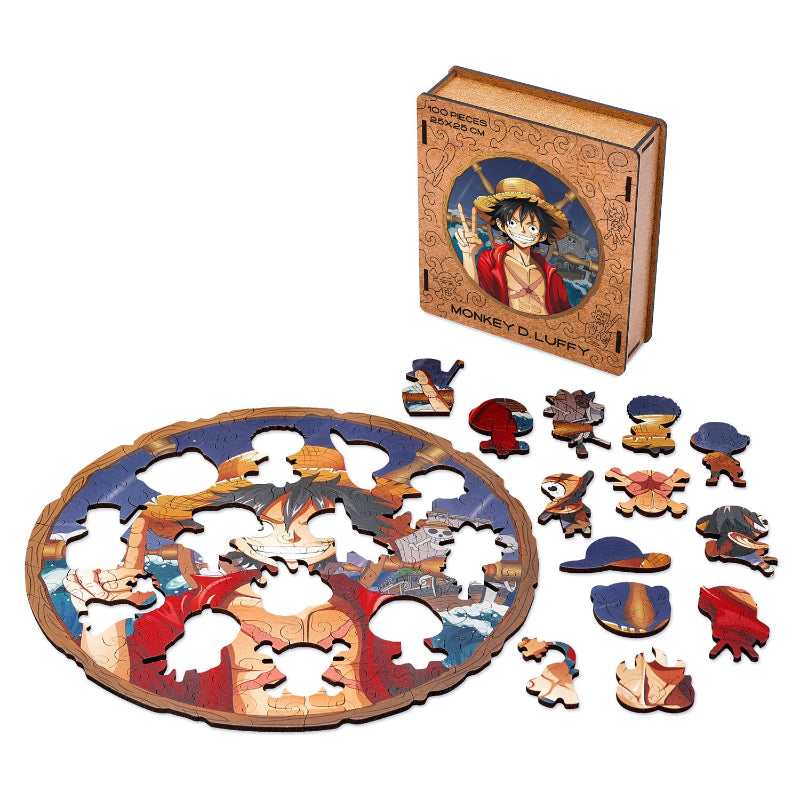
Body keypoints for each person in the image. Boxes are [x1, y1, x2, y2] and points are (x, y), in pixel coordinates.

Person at [63, 449, 445, 718]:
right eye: (265, 526)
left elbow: (425, 683)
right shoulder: (189, 612)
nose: (290, 538)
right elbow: (126, 681)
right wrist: (105, 620)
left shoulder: (382, 612)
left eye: (313, 524)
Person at [455, 177, 571, 314]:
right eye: (513, 223)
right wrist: (468, 255)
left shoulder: (554, 279)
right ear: (501, 225)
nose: (522, 231)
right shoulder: (491, 261)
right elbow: (473, 296)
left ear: (542, 236)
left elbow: (566, 315)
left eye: (532, 228)